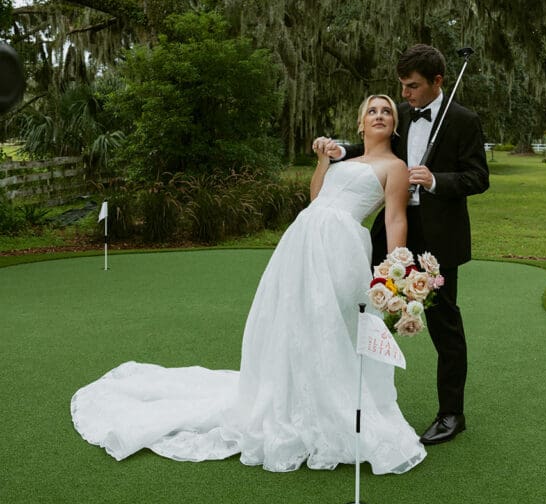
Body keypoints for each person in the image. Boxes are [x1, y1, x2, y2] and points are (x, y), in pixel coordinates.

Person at [71, 95, 426, 474]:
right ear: (360, 123)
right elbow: (316, 197)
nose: (379, 115)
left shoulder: (395, 167)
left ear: (394, 124)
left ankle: (333, 409)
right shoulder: (347, 159)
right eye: (372, 110)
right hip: (302, 240)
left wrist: (393, 274)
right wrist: (323, 160)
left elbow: (394, 220)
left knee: (331, 324)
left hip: (340, 248)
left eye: (386, 111)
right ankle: (293, 403)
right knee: (294, 321)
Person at [317, 44, 489, 446]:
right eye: (403, 87)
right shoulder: (405, 114)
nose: (405, 95)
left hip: (439, 235)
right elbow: (379, 146)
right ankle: (358, 399)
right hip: (393, 226)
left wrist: (435, 180)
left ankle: (451, 413)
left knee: (444, 321)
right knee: (368, 305)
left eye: (412, 87)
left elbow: (478, 177)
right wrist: (345, 150)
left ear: (437, 82)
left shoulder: (464, 120)